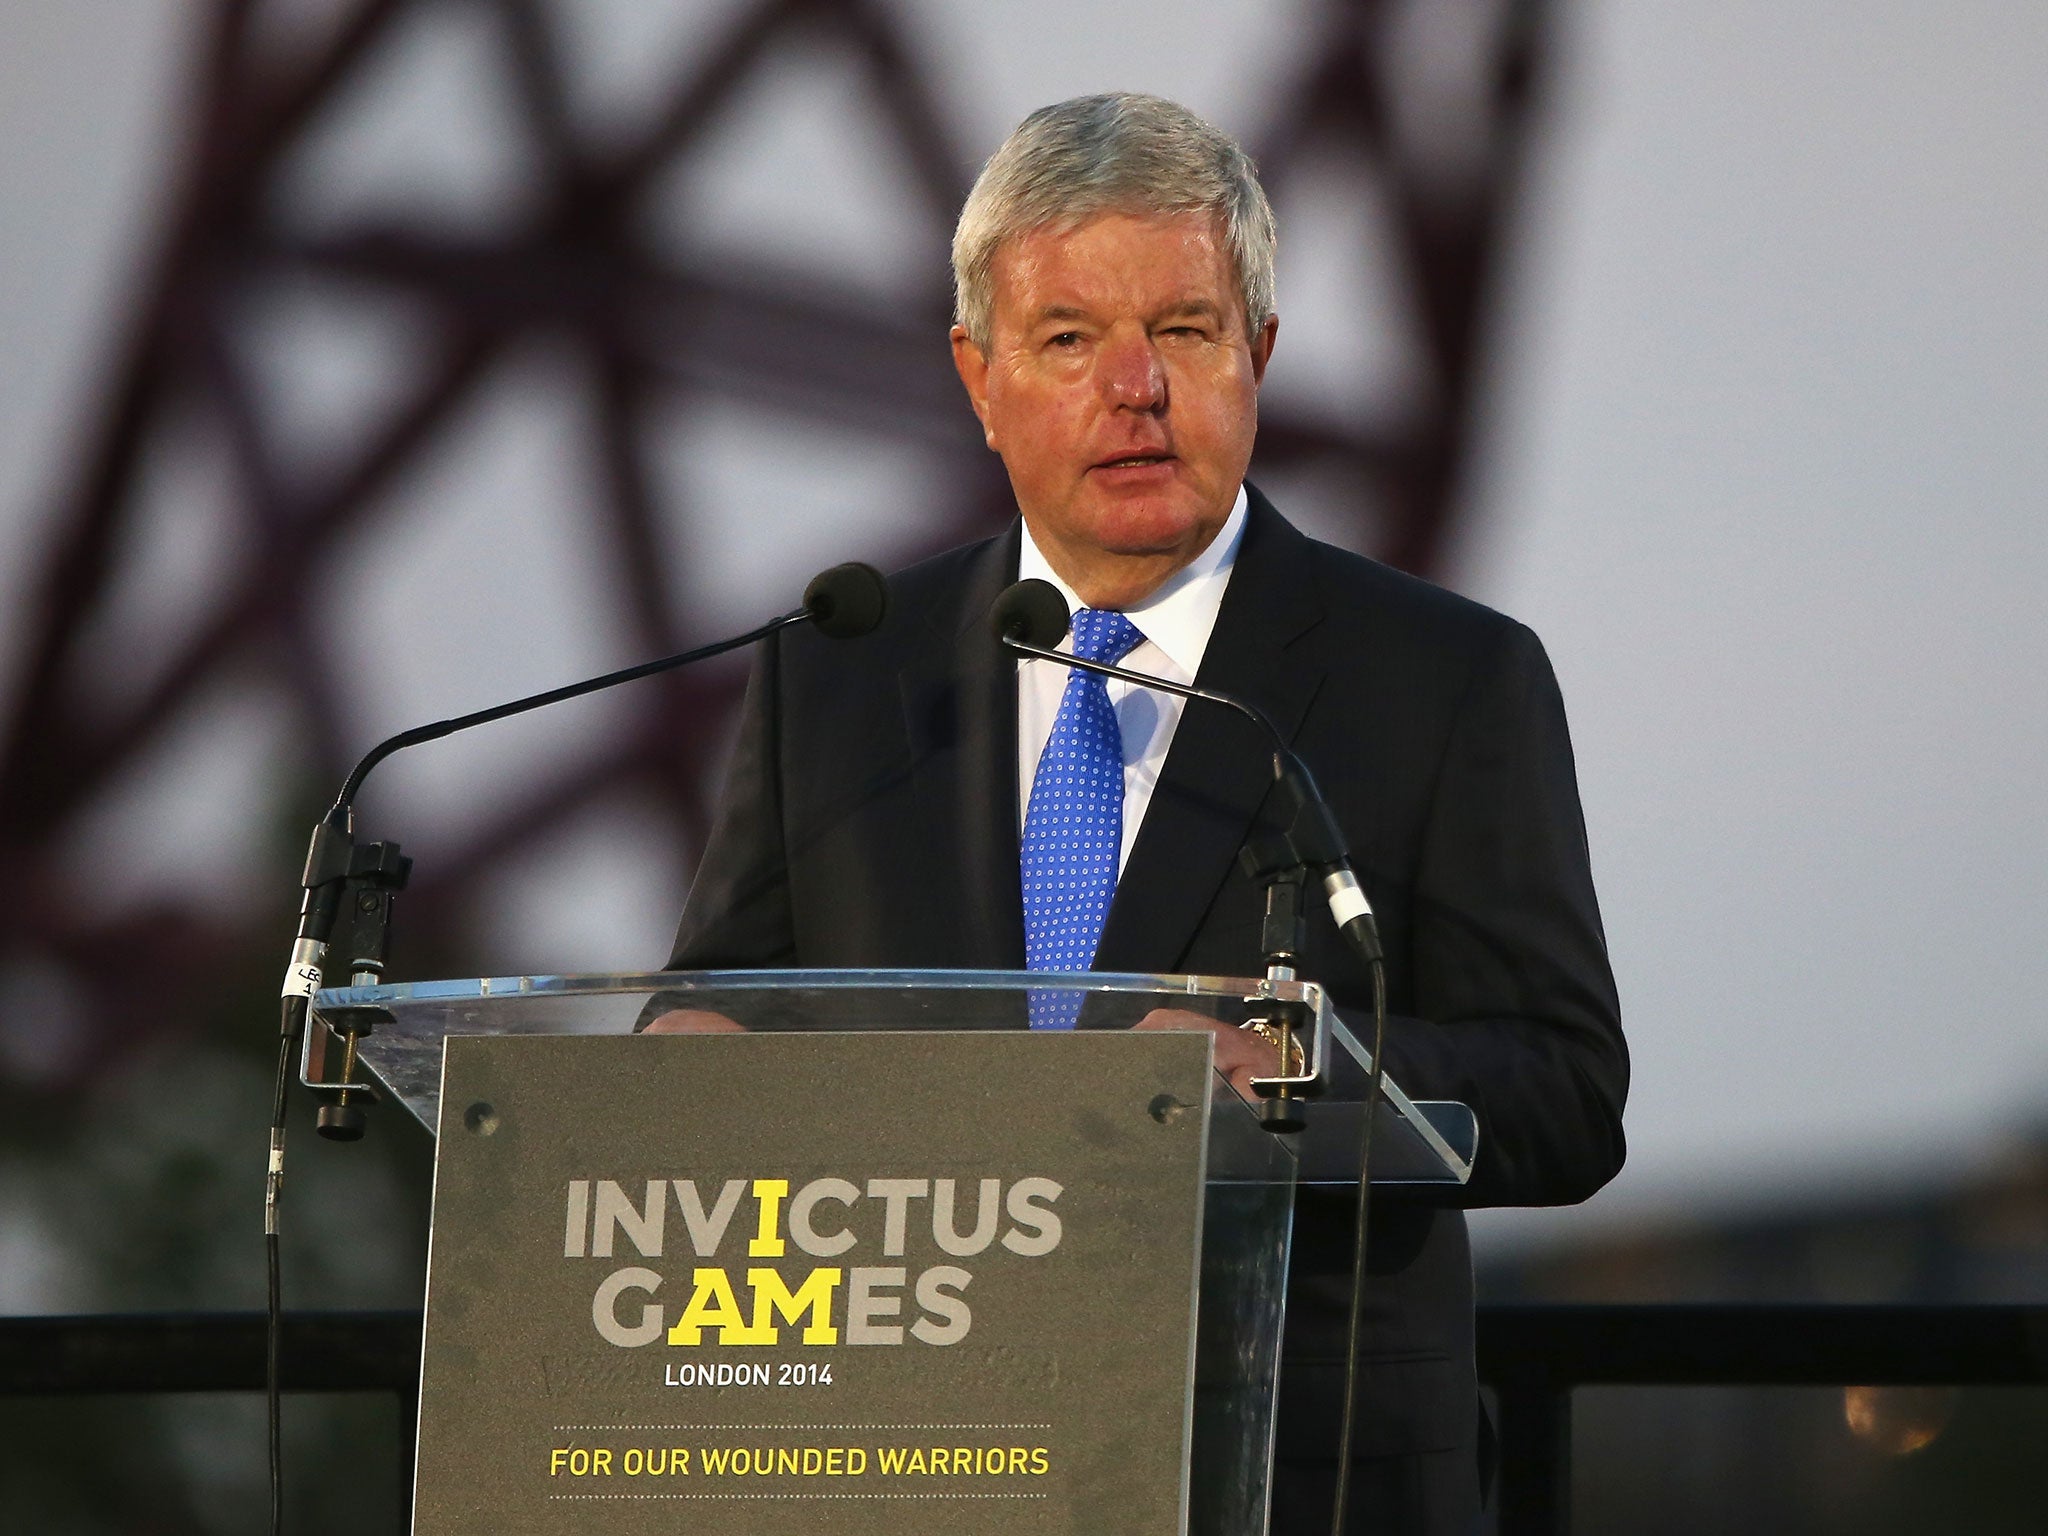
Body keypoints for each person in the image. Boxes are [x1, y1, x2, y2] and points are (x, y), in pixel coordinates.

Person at [651, 92, 1627, 1535]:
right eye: (1067, 340)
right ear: (978, 381)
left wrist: (1292, 1074)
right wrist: (678, 1062)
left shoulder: (1445, 677)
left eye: (1182, 330)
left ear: (1261, 358)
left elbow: (1566, 1093)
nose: (1136, 388)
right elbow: (719, 1004)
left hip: (1302, 1477)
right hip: (909, 1464)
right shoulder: (844, 671)